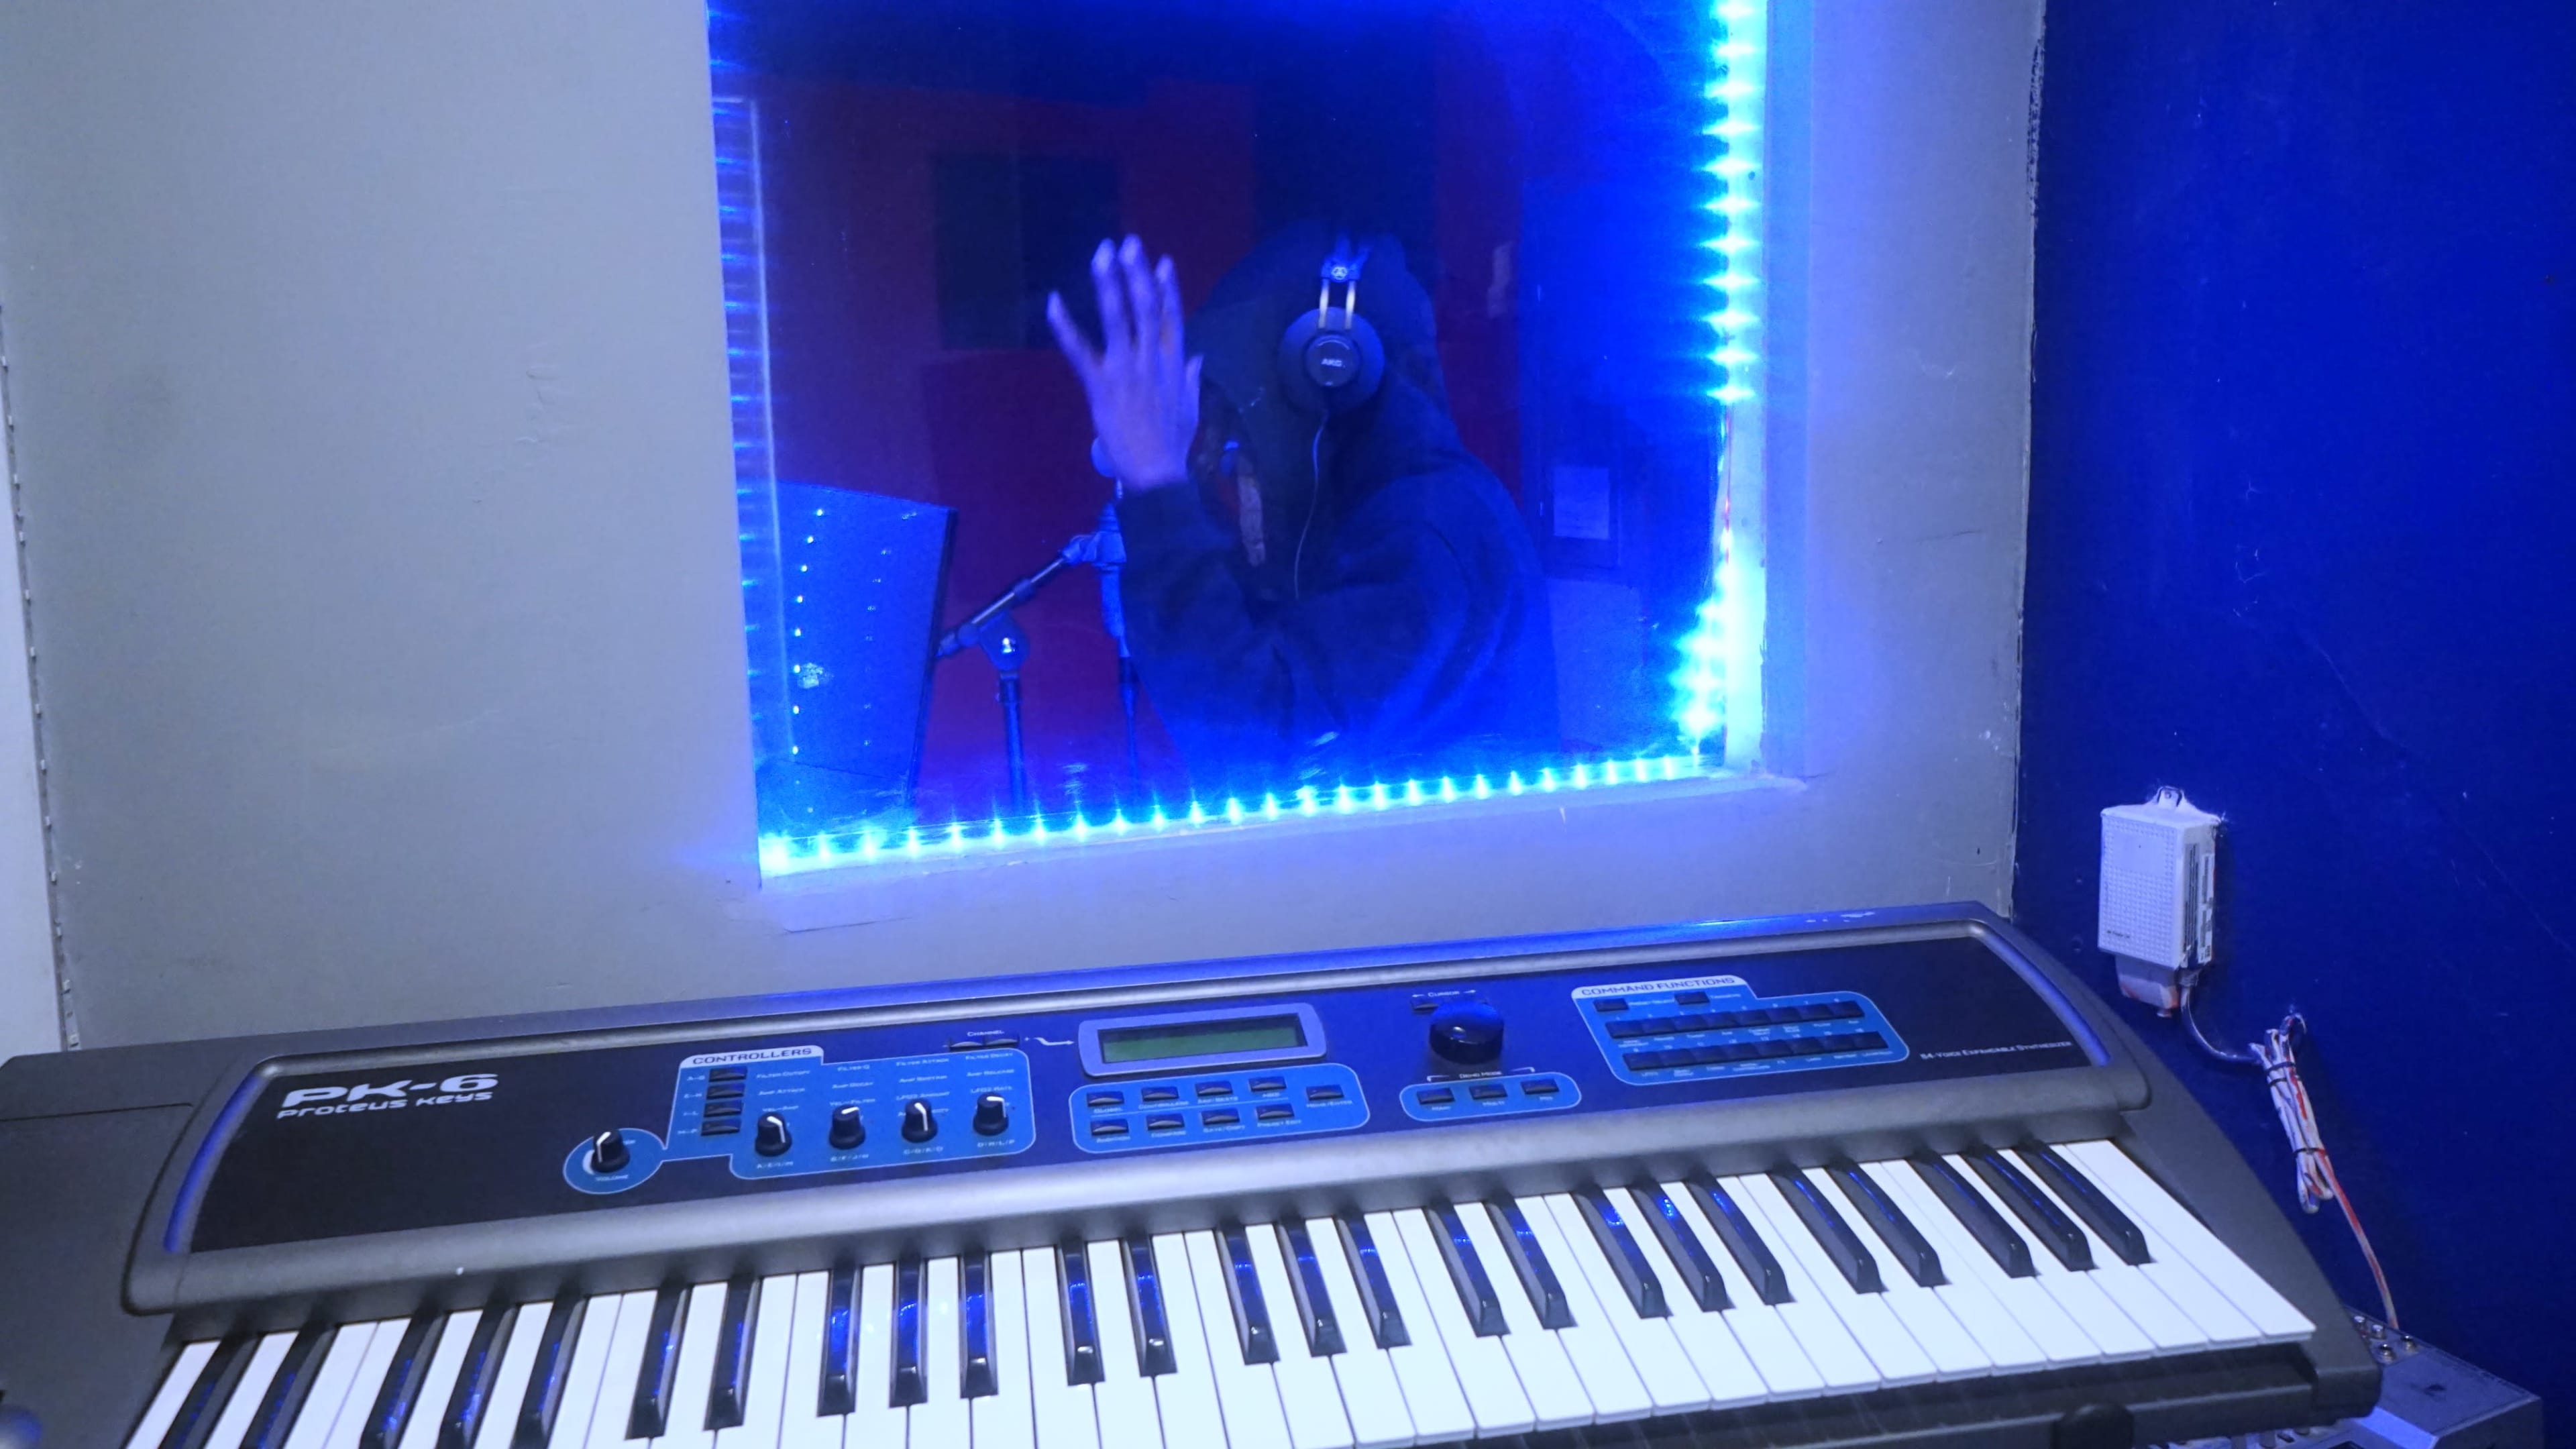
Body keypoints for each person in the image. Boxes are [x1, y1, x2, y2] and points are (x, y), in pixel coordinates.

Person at [1047, 229, 1558, 796]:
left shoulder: (1429, 534)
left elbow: (1259, 751)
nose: (1241, 474)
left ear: (1328, 367)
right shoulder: (1378, 514)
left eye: (1246, 424)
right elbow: (1279, 662)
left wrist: (1158, 490)